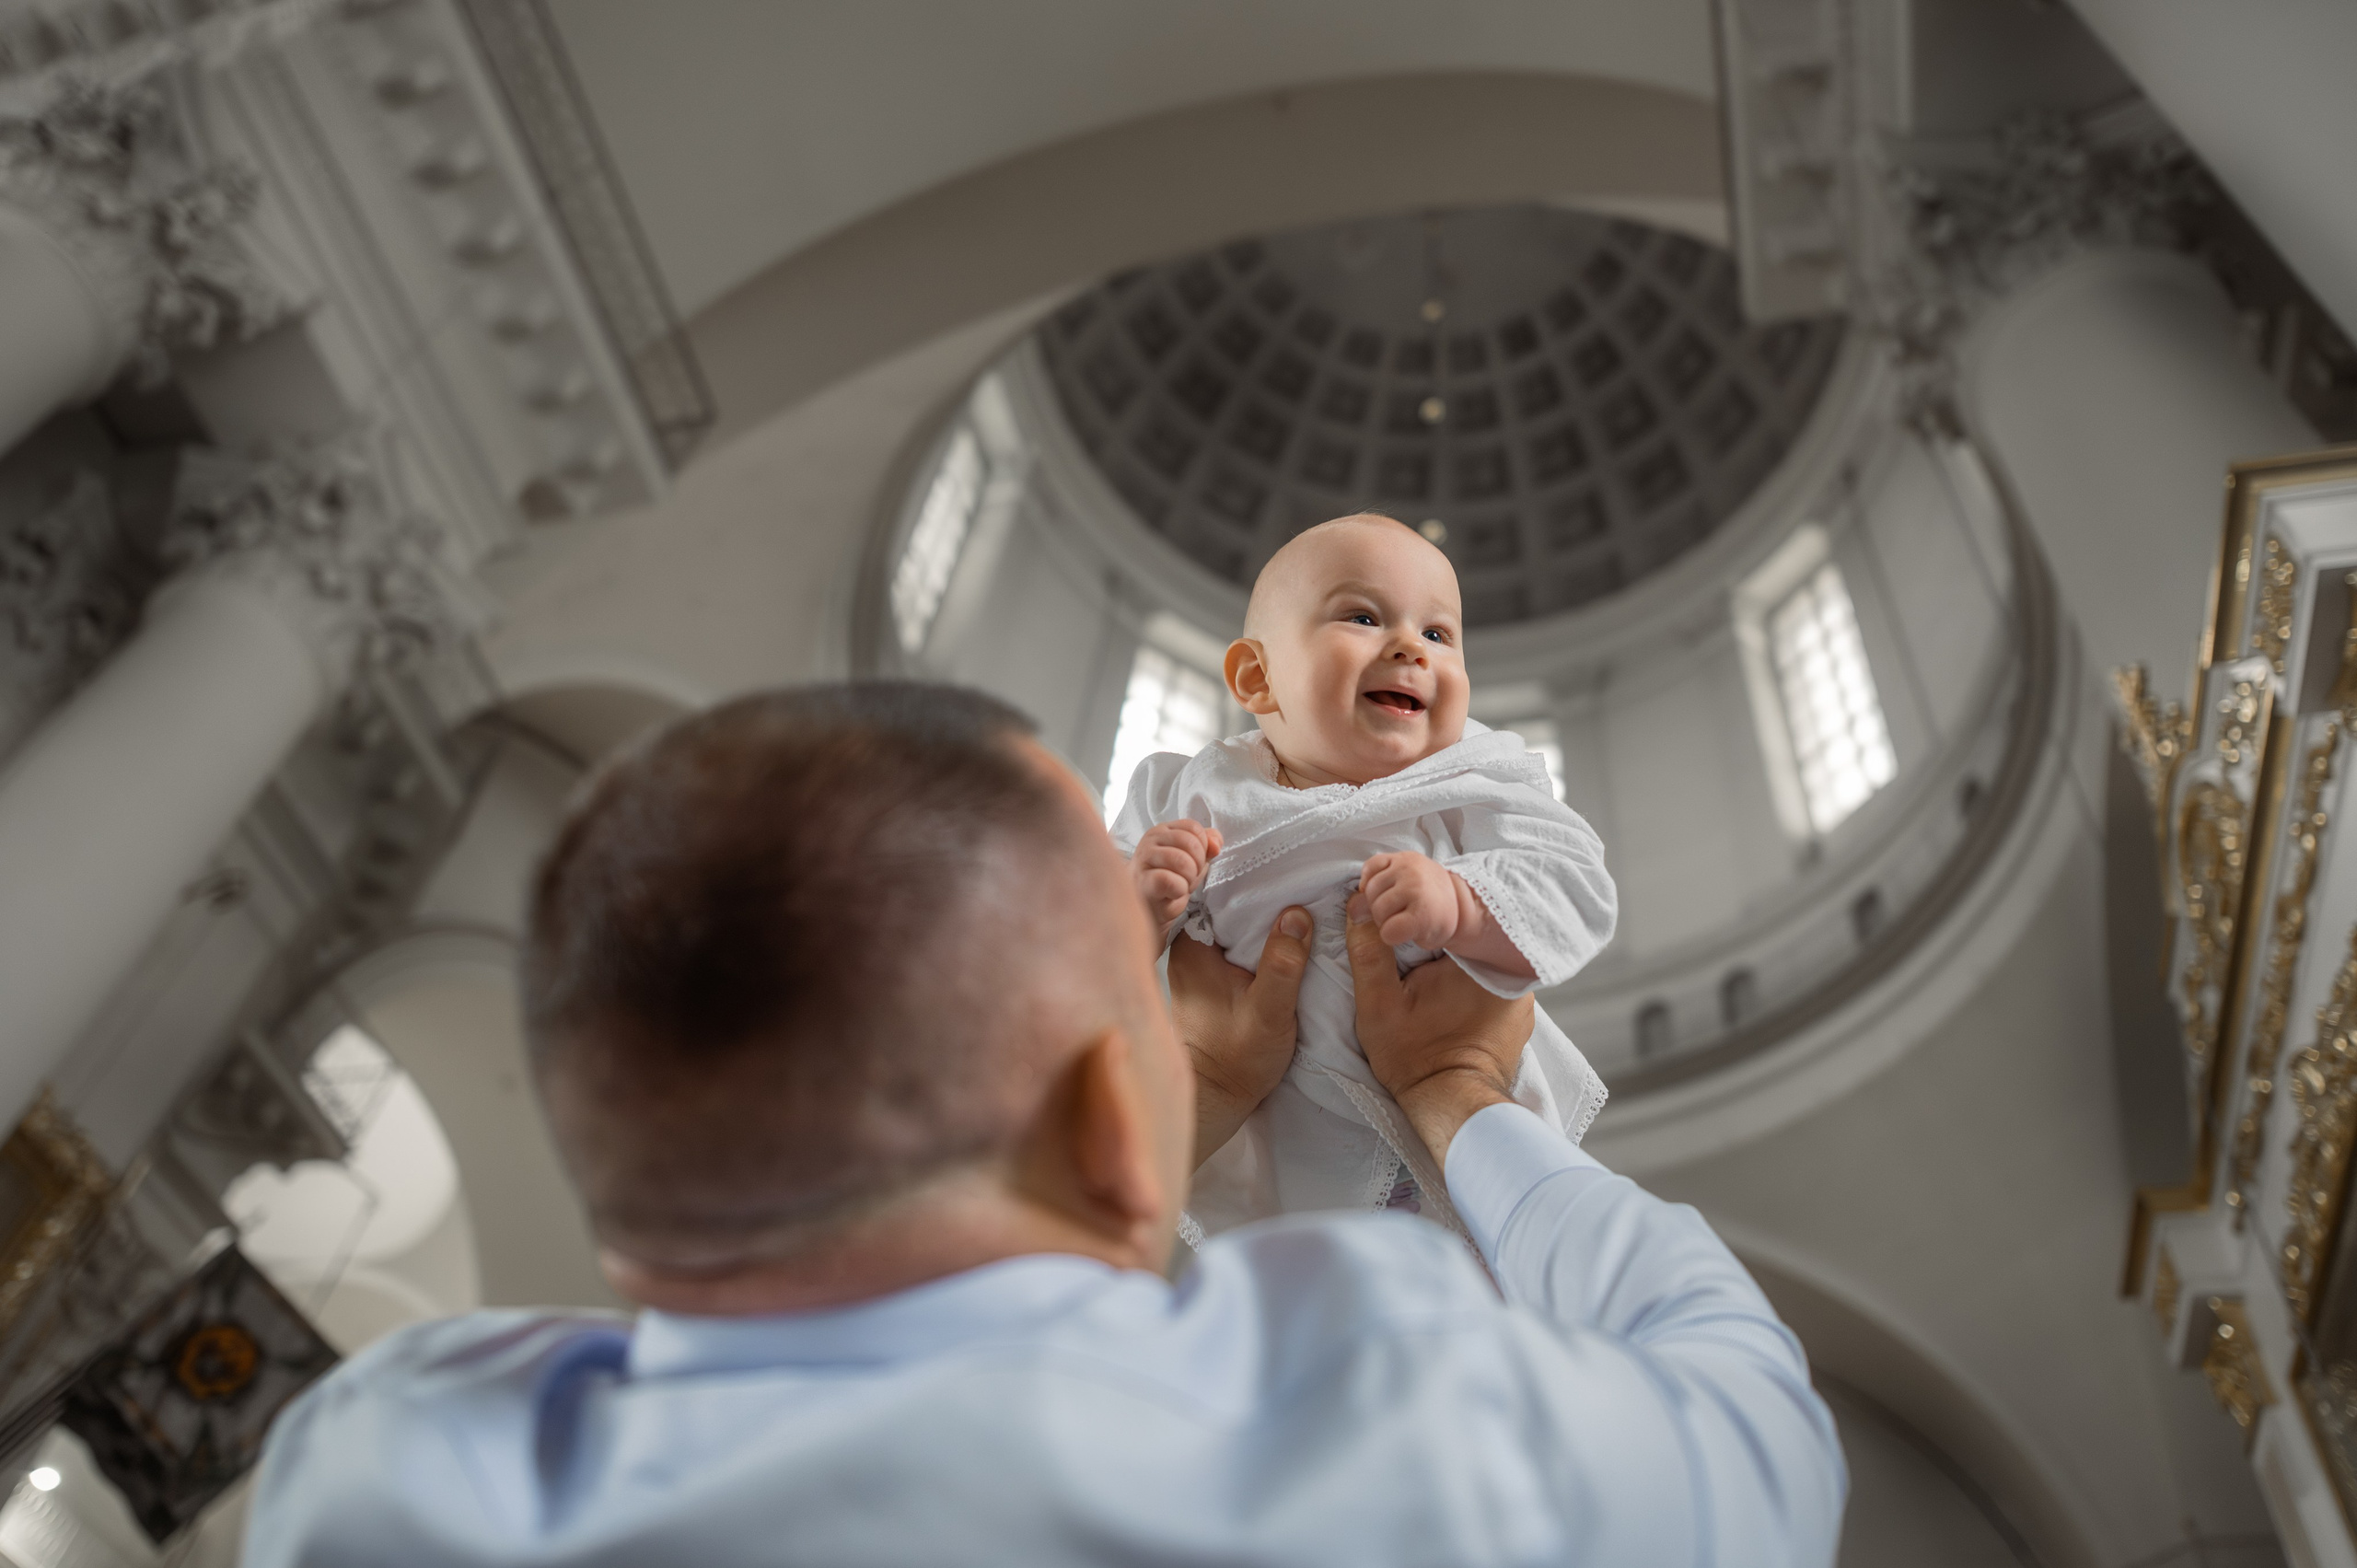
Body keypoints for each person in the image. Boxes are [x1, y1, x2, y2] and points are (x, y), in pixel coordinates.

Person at [243, 682, 1843, 1567]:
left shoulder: (378, 1465)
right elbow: (1753, 1431)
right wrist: (1471, 1108)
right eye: (1137, 984)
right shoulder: (1367, 1397)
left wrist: (1171, 1114)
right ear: (1097, 1103)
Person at [1114, 513, 1617, 1239]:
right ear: (1257, 677)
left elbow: (1573, 885)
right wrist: (1139, 904)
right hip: (1281, 1151)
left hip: (1456, 1148)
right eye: (1363, 615)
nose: (1411, 646)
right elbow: (1080, 936)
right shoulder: (1187, 787)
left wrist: (1466, 905)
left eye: (1440, 634)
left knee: (1515, 1272)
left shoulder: (1476, 776)